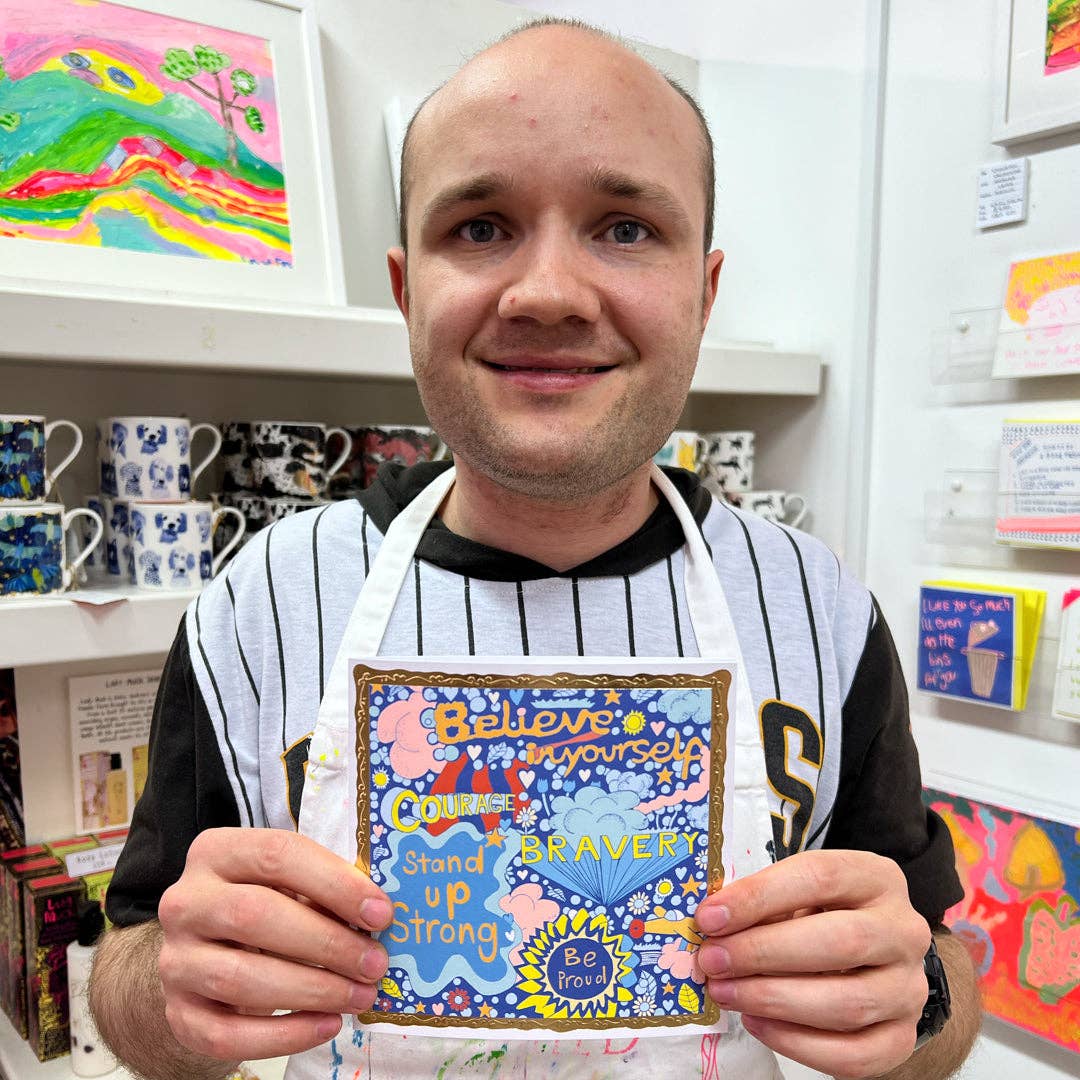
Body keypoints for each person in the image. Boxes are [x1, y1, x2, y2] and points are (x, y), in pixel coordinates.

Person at [90, 17, 978, 1080]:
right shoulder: (260, 605)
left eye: (625, 227)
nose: (548, 292)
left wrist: (916, 998)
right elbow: (130, 971)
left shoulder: (816, 607)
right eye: (479, 226)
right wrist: (174, 993)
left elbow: (945, 985)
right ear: (406, 287)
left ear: (704, 290)